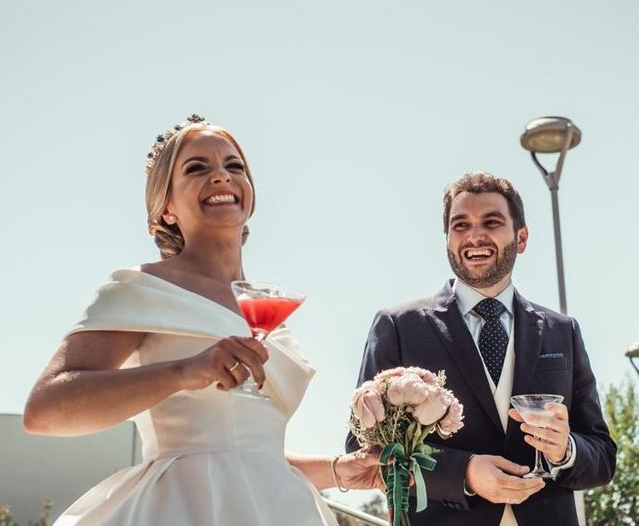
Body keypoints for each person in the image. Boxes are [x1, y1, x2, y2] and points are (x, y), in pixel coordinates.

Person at [24, 114, 380, 526]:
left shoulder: (266, 312)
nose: (221, 177)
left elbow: (245, 459)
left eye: (235, 166)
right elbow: (44, 410)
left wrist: (337, 470)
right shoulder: (141, 290)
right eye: (197, 168)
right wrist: (184, 371)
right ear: (166, 207)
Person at [347, 171, 616, 526]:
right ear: (447, 239)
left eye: (491, 222)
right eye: (460, 225)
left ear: (521, 238)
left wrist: (566, 450)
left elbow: (603, 458)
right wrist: (465, 474)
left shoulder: (562, 331)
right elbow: (364, 451)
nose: (475, 235)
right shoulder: (398, 327)